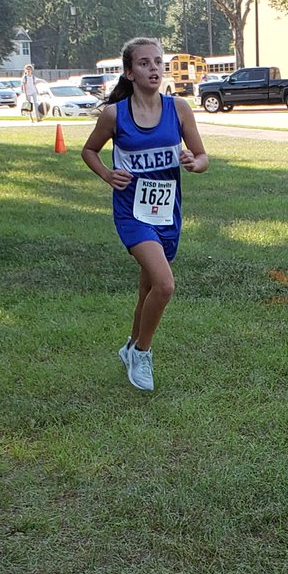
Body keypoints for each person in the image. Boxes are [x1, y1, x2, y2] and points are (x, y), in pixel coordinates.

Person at [81, 37, 208, 392]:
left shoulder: (179, 108)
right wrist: (108, 174)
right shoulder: (114, 115)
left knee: (148, 288)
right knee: (165, 285)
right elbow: (89, 151)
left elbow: (202, 156)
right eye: (144, 63)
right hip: (131, 212)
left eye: (158, 62)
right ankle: (142, 351)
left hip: (167, 211)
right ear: (129, 72)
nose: (154, 69)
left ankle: (129, 346)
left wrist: (193, 163)